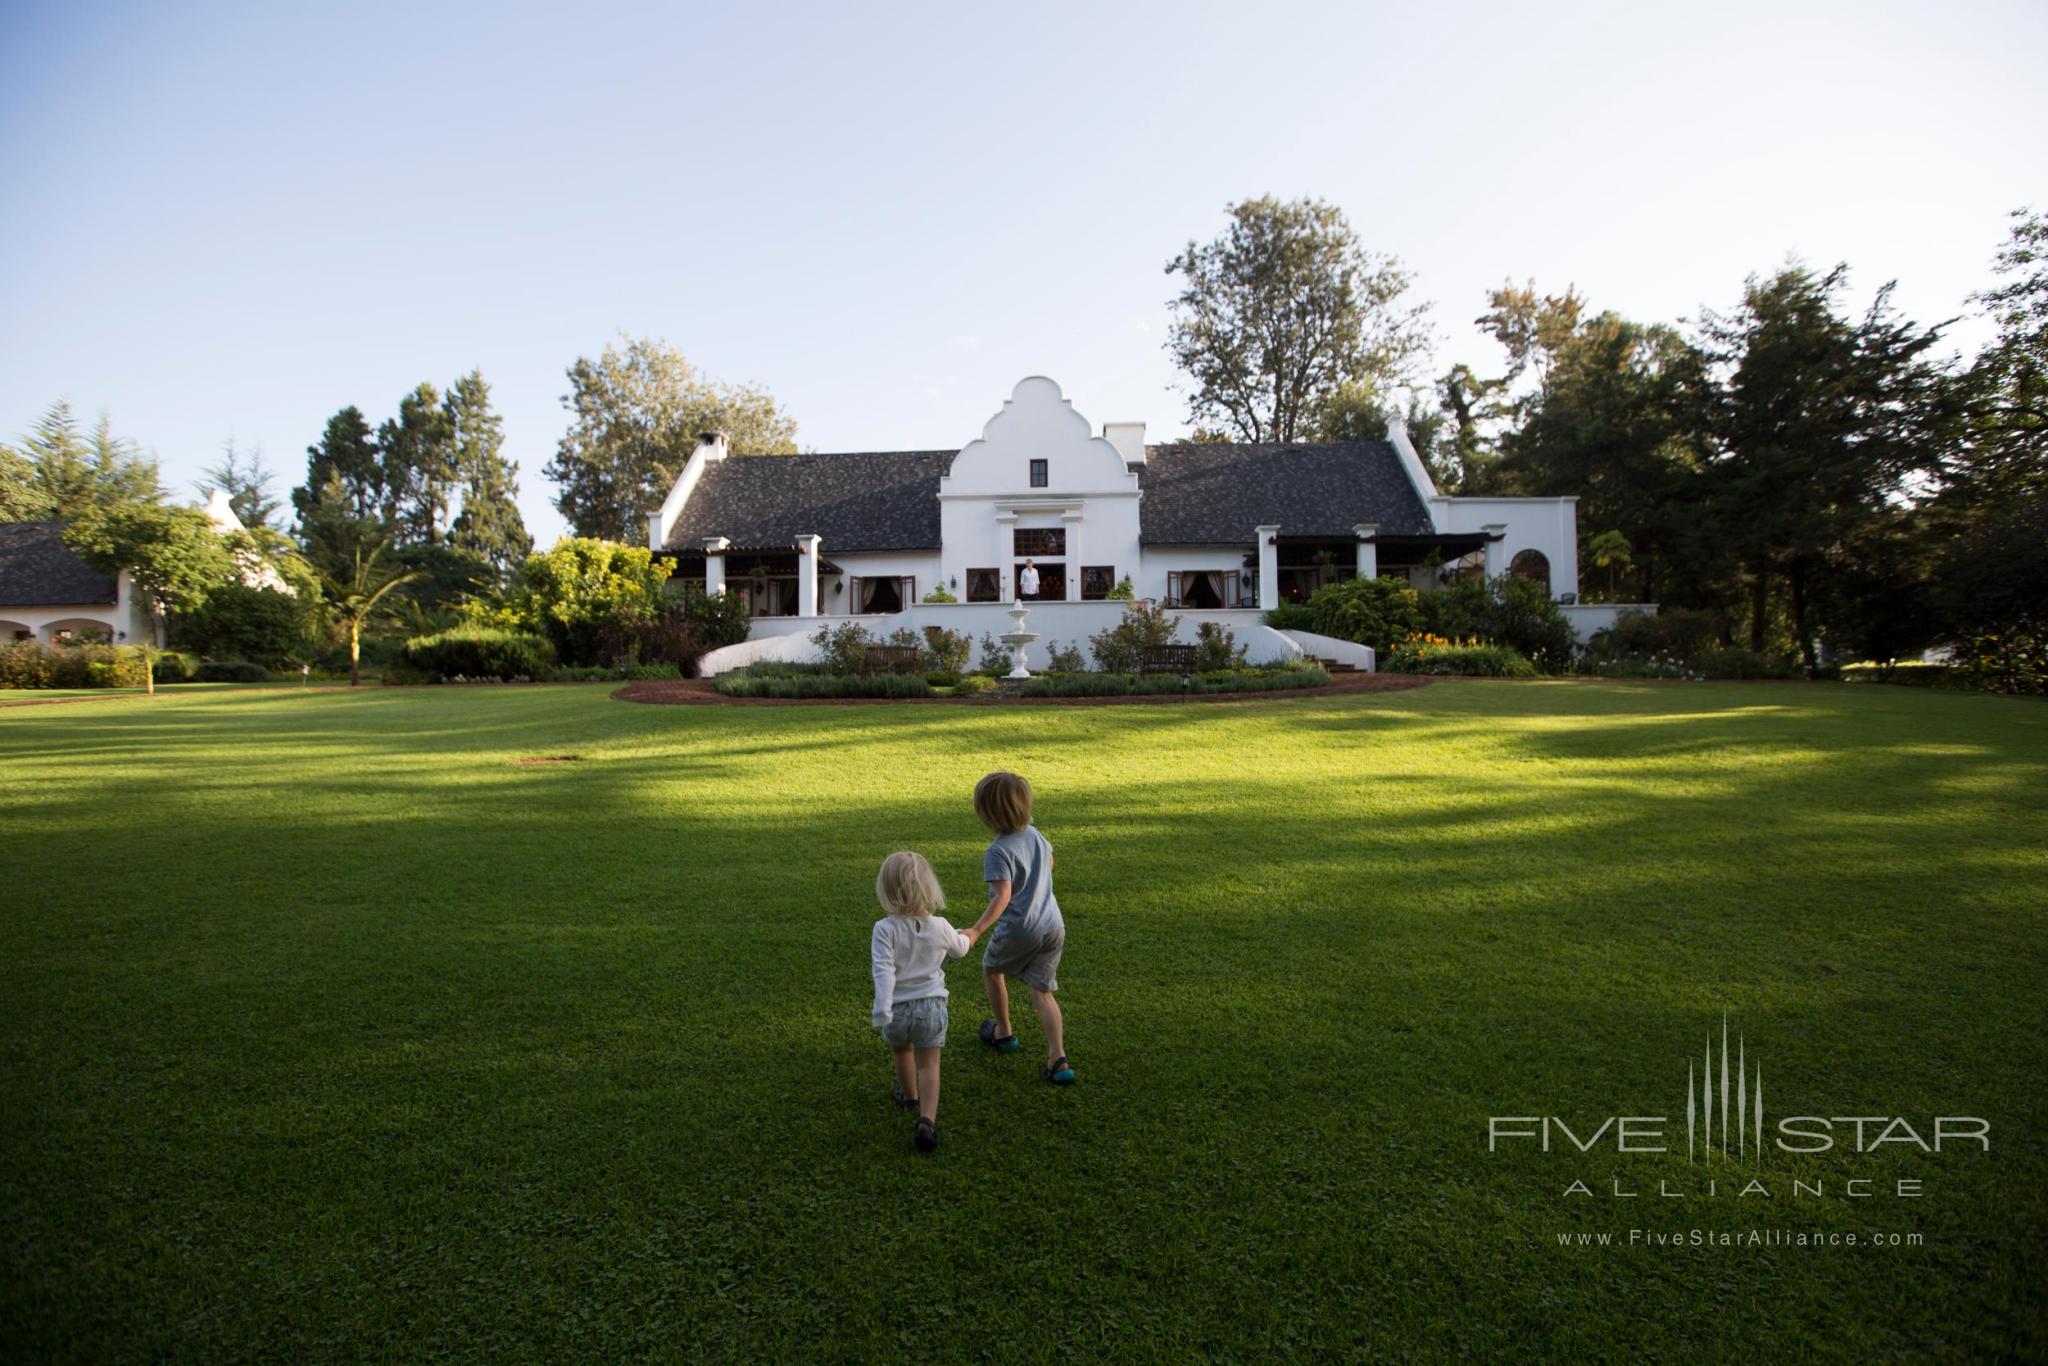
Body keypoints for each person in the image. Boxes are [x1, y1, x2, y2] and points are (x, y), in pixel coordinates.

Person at [969, 771, 1074, 1084]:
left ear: (987, 814)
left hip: (1020, 929)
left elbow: (1002, 898)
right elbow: (1050, 863)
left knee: (992, 970)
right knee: (1043, 993)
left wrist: (975, 931)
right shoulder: (1036, 835)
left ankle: (1003, 1032)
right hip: (1053, 926)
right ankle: (1058, 1059)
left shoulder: (997, 851)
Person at [870, 850, 978, 1151]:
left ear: (887, 889)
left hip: (898, 1009)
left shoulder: (884, 929)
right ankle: (927, 1119)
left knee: (902, 1051)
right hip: (931, 1008)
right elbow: (959, 949)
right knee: (930, 1065)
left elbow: (883, 970)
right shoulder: (940, 926)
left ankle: (909, 1095)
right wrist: (969, 935)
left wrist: (883, 1006)